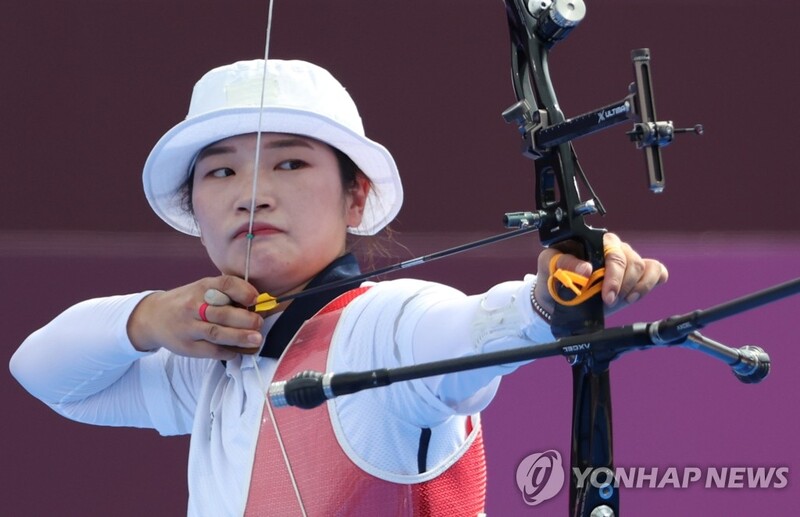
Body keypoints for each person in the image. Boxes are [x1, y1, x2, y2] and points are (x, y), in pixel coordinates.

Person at [10, 59, 667, 516]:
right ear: (195, 208)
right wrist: (150, 317)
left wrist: (556, 293)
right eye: (220, 172)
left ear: (356, 198)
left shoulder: (383, 324)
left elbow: (470, 327)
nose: (251, 194)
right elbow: (40, 369)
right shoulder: (211, 361)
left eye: (291, 162)